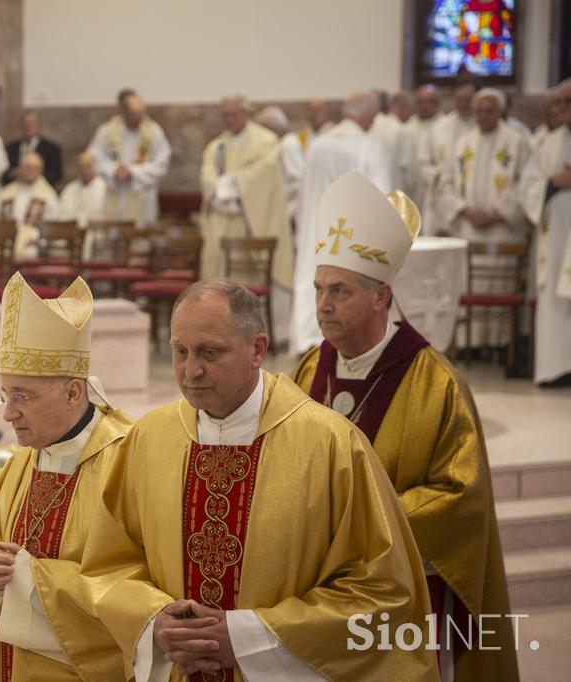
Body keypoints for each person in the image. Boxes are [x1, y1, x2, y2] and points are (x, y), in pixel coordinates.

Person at [81, 278, 435, 681]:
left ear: (258, 350)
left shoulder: (331, 445)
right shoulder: (149, 439)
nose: (191, 370)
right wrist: (152, 620)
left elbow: (382, 592)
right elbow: (109, 564)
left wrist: (249, 638)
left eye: (210, 353)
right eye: (180, 352)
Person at [291, 170, 518, 680]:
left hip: (402, 596)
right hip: (312, 588)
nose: (323, 305)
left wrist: (358, 527)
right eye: (319, 289)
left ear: (380, 296)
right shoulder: (308, 370)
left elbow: (460, 497)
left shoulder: (435, 383)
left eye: (340, 291)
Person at [0, 273, 132, 681]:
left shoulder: (126, 461)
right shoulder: (23, 460)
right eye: (5, 393)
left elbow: (138, 584)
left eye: (22, 396)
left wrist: (31, 578)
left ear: (72, 393)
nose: (7, 413)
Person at [290, 90, 392, 355]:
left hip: (318, 228)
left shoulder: (319, 144)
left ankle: (308, 338)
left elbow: (304, 194)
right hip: (354, 231)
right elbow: (383, 199)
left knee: (313, 277)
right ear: (368, 115)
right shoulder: (371, 147)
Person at [437, 88, 532, 352]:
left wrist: (499, 212)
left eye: (489, 110)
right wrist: (463, 209)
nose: (483, 115)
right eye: (479, 110)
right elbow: (444, 184)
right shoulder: (463, 143)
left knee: (498, 286)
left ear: (501, 111)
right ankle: (472, 346)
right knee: (470, 285)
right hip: (469, 229)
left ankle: (500, 345)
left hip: (502, 229)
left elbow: (526, 184)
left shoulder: (518, 141)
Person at [199, 96, 294, 345]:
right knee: (219, 281)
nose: (228, 119)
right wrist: (220, 191)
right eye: (225, 114)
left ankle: (255, 337)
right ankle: (217, 335)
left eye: (233, 114)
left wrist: (230, 185)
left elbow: (263, 174)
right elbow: (207, 176)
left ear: (246, 112)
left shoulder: (267, 141)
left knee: (249, 283)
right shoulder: (216, 146)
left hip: (252, 222)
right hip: (222, 222)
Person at [520, 77, 571, 385]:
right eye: (560, 102)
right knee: (555, 297)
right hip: (556, 239)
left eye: (568, 102)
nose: (563, 108)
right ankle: (556, 370)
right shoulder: (548, 144)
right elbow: (528, 187)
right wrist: (553, 183)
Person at [88, 89, 170, 226]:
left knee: (140, 241)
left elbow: (162, 163)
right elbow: (94, 158)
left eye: (141, 113)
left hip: (142, 197)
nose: (139, 118)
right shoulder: (107, 131)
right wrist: (114, 170)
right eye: (134, 114)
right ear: (123, 111)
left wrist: (133, 171)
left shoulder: (153, 132)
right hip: (114, 194)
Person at [423, 77, 480, 235]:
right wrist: (436, 175)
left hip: (473, 202)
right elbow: (424, 163)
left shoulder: (483, 126)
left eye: (468, 100)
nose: (463, 104)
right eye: (459, 99)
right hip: (442, 200)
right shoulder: (439, 127)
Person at [0, 152, 59, 260]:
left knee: (29, 253)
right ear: (20, 169)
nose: (30, 171)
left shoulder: (48, 195)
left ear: (41, 170)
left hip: (34, 242)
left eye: (35, 168)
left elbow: (53, 221)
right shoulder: (7, 192)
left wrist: (39, 239)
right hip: (7, 239)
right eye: (27, 167)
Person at [255, 106, 305, 227]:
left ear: (273, 130)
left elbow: (298, 181)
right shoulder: (281, 144)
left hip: (292, 209)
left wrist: (274, 192)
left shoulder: (288, 146)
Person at [370, 91, 419, 197]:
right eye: (411, 110)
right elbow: (410, 173)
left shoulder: (371, 126)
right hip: (395, 195)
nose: (411, 115)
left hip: (371, 192)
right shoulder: (403, 131)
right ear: (403, 107)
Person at [408, 85, 444, 222]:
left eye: (429, 101)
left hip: (434, 187)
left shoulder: (445, 126)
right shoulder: (407, 127)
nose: (424, 106)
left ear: (437, 104)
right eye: (420, 101)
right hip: (413, 187)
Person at [3, 110, 63, 187]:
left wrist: (33, 175)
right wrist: (11, 174)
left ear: (39, 125)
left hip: (41, 191)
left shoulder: (52, 149)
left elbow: (57, 175)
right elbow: (3, 174)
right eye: (25, 124)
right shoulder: (11, 148)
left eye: (31, 124)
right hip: (16, 190)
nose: (28, 127)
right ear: (20, 126)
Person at [57, 151, 107, 228]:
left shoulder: (104, 189)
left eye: (88, 166)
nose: (85, 170)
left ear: (95, 167)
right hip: (72, 232)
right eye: (81, 167)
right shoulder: (70, 188)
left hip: (95, 232)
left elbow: (102, 216)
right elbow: (62, 214)